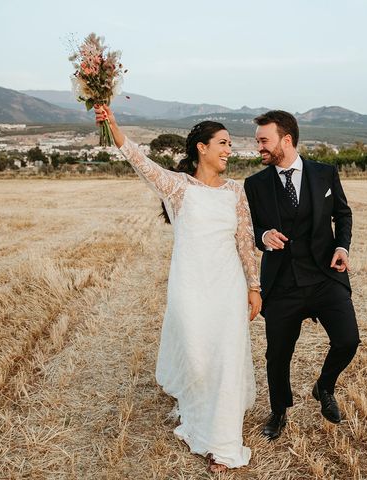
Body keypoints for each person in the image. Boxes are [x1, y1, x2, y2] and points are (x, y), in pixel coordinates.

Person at [94, 105, 261, 473]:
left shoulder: (237, 191)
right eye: (223, 143)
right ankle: (198, 420)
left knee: (226, 360)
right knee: (198, 361)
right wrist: (113, 125)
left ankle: (222, 444)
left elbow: (245, 241)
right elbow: (140, 161)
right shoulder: (179, 187)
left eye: (230, 144)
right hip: (190, 286)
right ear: (202, 148)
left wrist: (254, 287)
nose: (229, 149)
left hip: (227, 286)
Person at [243, 110, 360, 440]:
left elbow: (343, 215)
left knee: (348, 340)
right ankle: (279, 411)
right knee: (277, 355)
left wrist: (343, 248)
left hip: (325, 276)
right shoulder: (254, 185)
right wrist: (262, 237)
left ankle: (324, 386)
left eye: (264, 141)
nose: (259, 148)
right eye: (258, 142)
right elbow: (247, 229)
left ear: (287, 140)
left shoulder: (325, 173)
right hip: (282, 284)